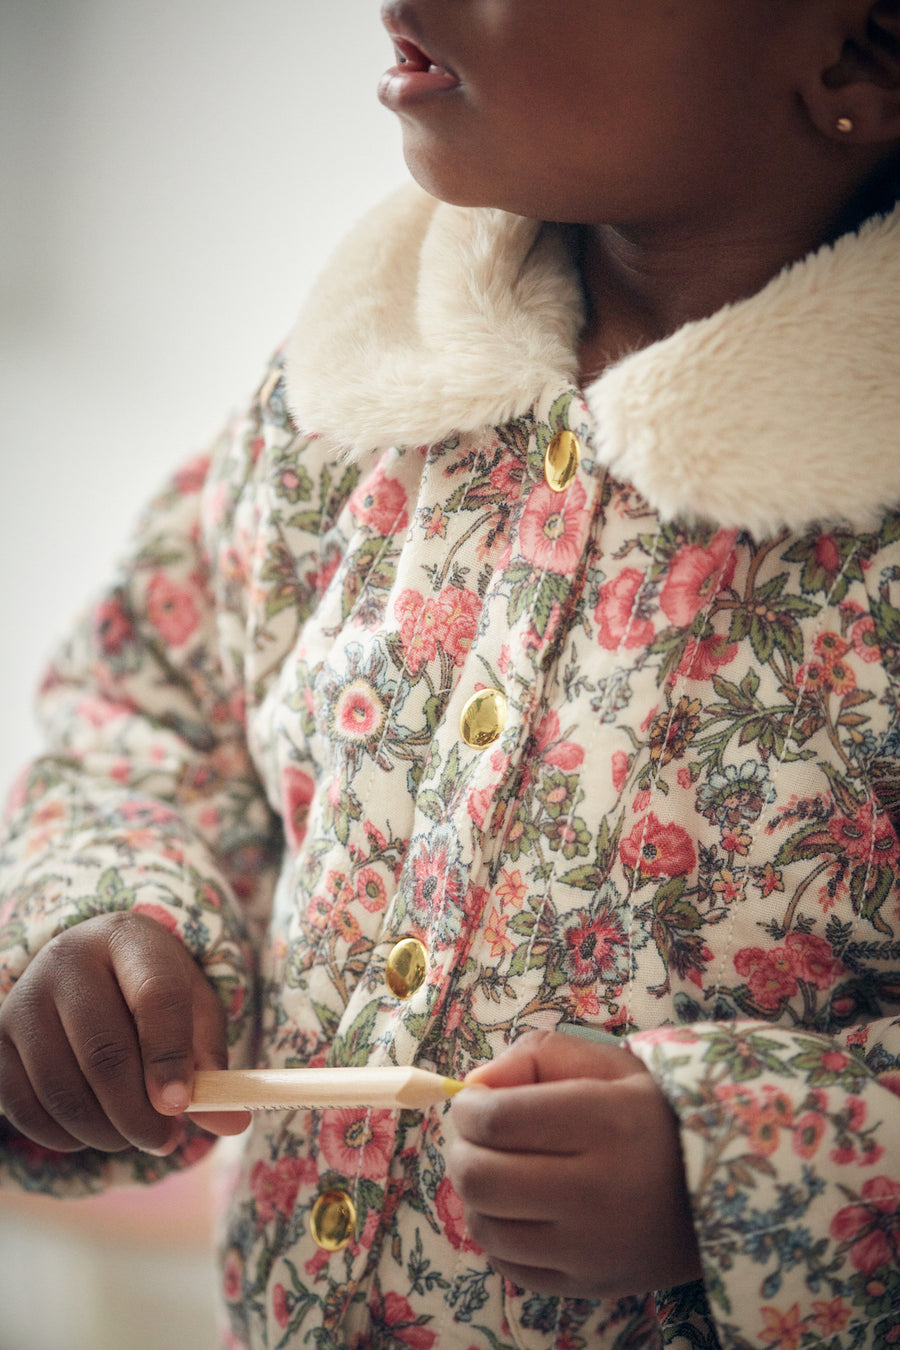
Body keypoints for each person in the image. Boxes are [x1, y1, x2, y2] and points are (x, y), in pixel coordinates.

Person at [1, 1, 900, 1345]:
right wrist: (111, 922)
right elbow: (152, 704)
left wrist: (742, 1172)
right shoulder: (355, 388)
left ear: (850, 60)